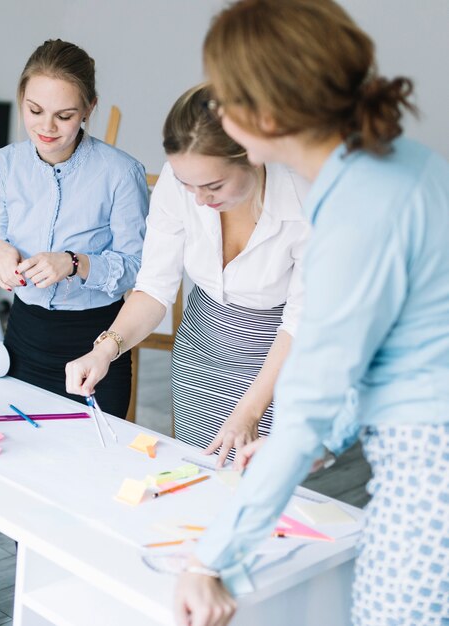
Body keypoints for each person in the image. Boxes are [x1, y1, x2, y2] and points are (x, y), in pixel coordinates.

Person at [174, 1, 449, 625]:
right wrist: (310, 440)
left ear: (268, 113)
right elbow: (389, 348)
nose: (216, 112)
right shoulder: (410, 166)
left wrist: (208, 561)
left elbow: (308, 401)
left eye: (226, 97)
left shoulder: (357, 210)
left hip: (430, 481)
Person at [66, 83, 311, 463]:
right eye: (187, 184)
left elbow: (300, 322)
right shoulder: (179, 180)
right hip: (201, 347)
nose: (199, 199)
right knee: (199, 479)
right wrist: (104, 351)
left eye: (213, 185)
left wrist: (249, 412)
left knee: (267, 486)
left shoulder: (306, 201)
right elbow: (153, 288)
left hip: (278, 358)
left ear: (255, 156)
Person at [0, 39, 148, 418]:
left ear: (89, 109)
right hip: (22, 337)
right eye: (35, 110)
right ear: (21, 97)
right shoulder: (3, 164)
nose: (46, 127)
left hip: (96, 344)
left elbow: (136, 268)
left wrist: (74, 263)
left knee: (93, 467)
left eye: (64, 116)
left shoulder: (121, 172)